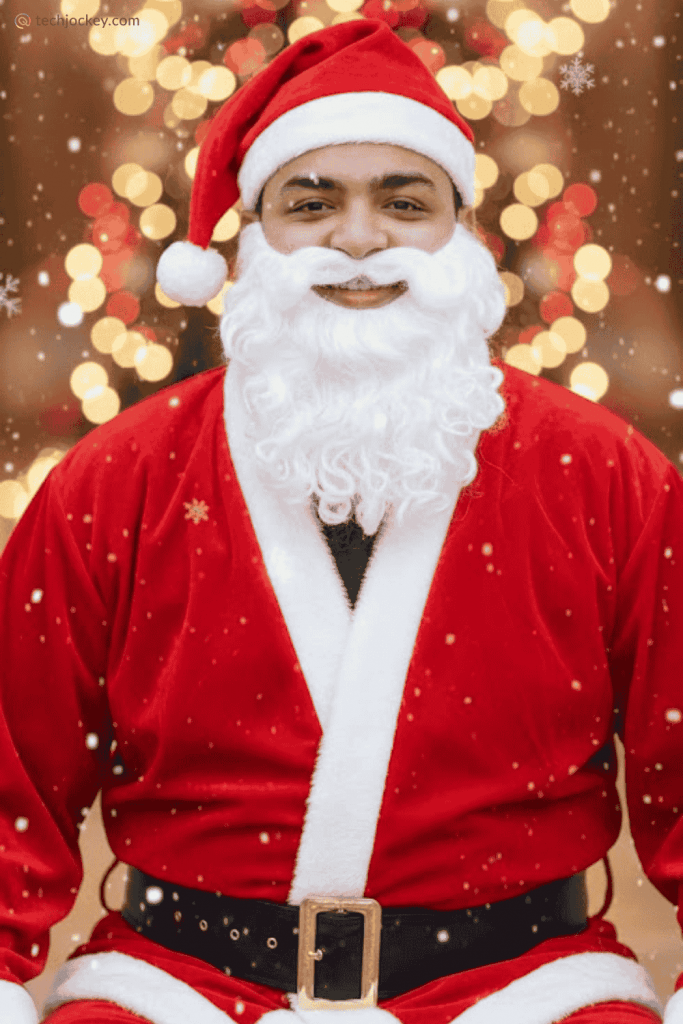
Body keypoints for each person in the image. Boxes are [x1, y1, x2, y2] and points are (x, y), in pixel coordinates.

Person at [0, 18, 682, 1024]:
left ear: (457, 233)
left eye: (401, 202)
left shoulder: (602, 473)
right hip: (179, 985)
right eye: (310, 203)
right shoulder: (113, 480)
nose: (357, 238)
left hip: (525, 987)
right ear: (254, 234)